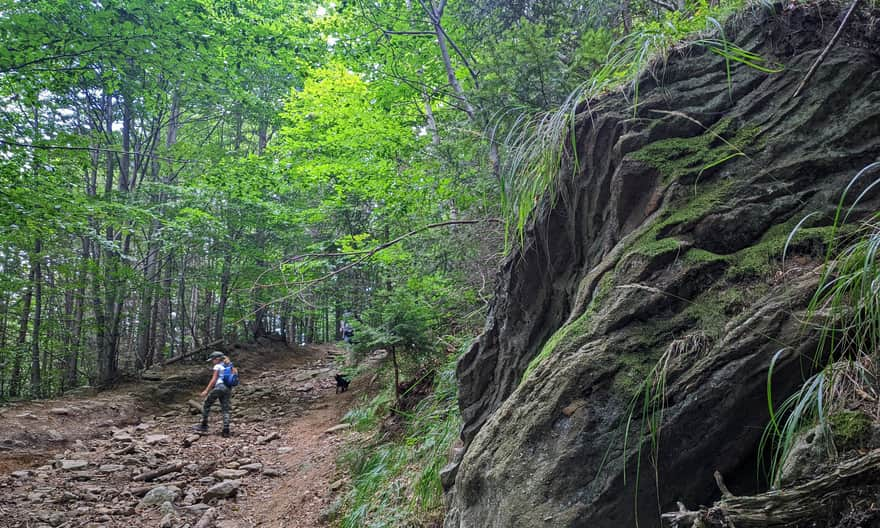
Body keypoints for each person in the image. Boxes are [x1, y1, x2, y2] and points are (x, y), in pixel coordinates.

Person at [193, 351, 233, 437]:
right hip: (228, 388)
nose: (212, 361)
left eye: (213, 360)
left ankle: (204, 425)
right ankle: (226, 430)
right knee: (225, 409)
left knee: (206, 404)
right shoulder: (229, 365)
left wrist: (206, 390)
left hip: (219, 387)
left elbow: (214, 379)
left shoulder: (217, 366)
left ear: (217, 359)